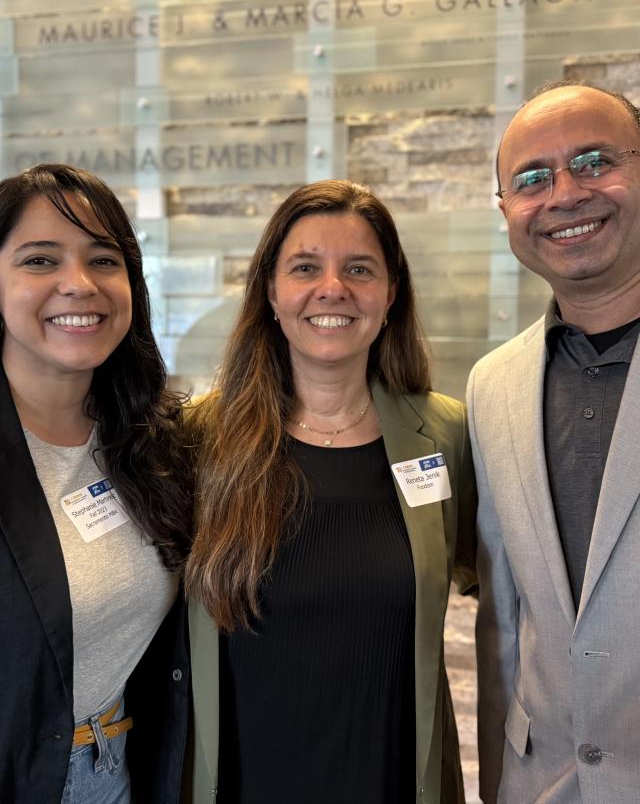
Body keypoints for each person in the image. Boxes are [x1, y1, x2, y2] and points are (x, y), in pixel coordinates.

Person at [185, 179, 477, 804]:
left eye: (360, 269)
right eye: (305, 268)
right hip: (244, 781)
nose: (333, 288)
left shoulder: (446, 435)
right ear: (270, 291)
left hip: (390, 779)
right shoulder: (198, 440)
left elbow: (513, 596)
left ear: (391, 293)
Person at [467, 81, 640, 803]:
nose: (565, 194)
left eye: (595, 161)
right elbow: (504, 619)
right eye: (532, 180)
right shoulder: (492, 387)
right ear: (507, 211)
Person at [0, 164, 192, 804]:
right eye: (39, 259)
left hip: (117, 769)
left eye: (103, 260)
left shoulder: (148, 437)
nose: (78, 285)